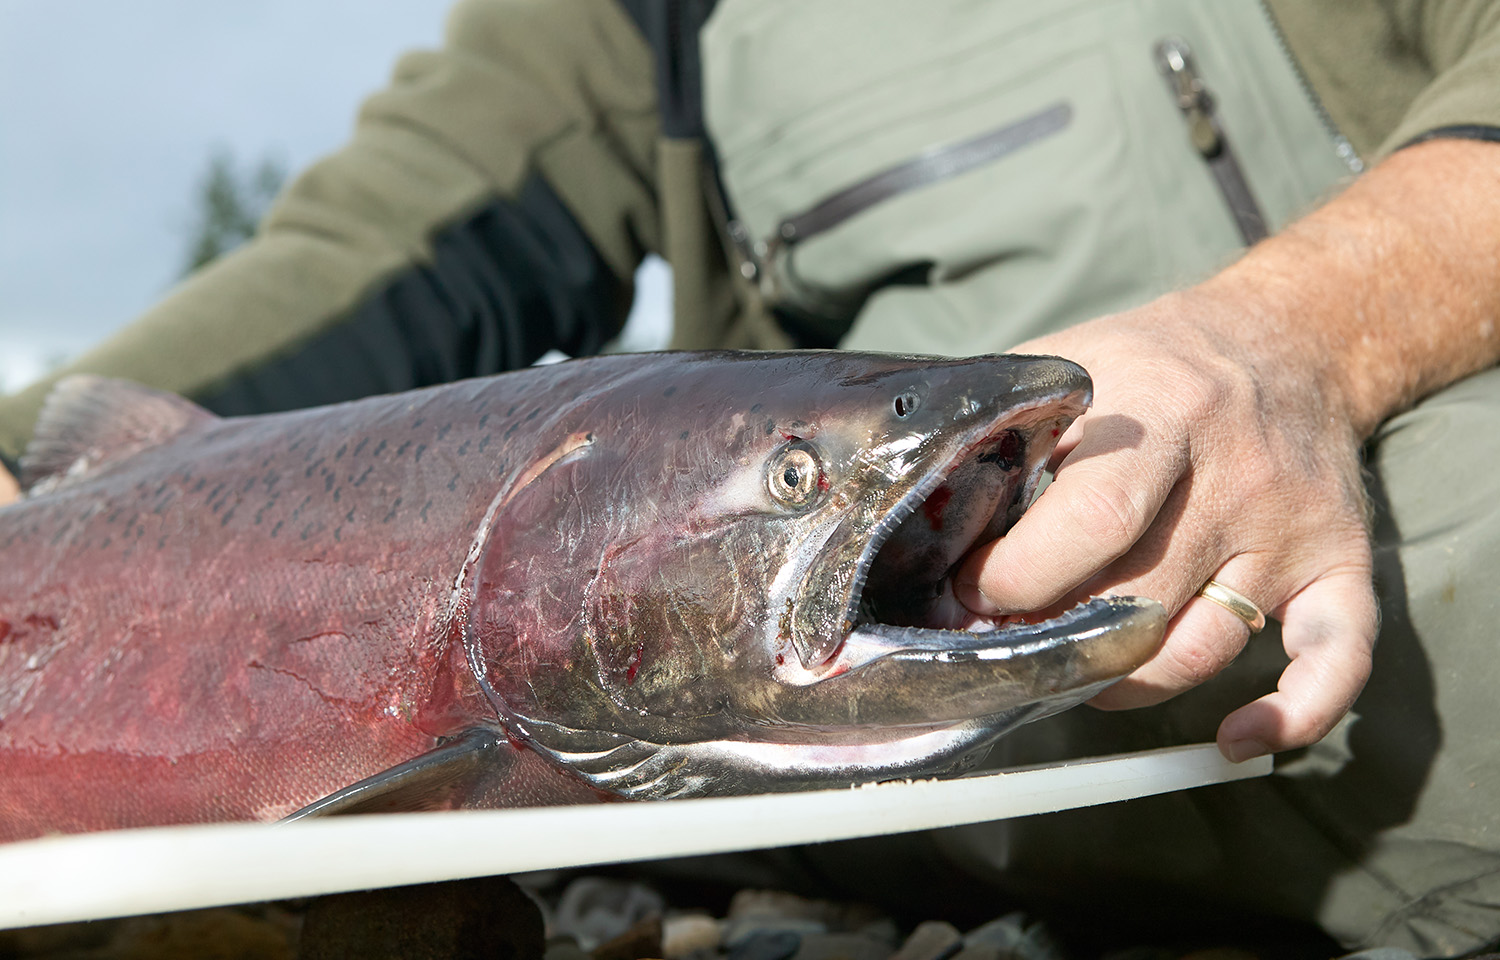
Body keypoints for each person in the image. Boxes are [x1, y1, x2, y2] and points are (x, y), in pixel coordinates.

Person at [2, 1, 1498, 955]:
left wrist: (1293, 339)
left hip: (1399, 453)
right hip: (861, 661)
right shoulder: (632, 22)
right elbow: (388, 250)